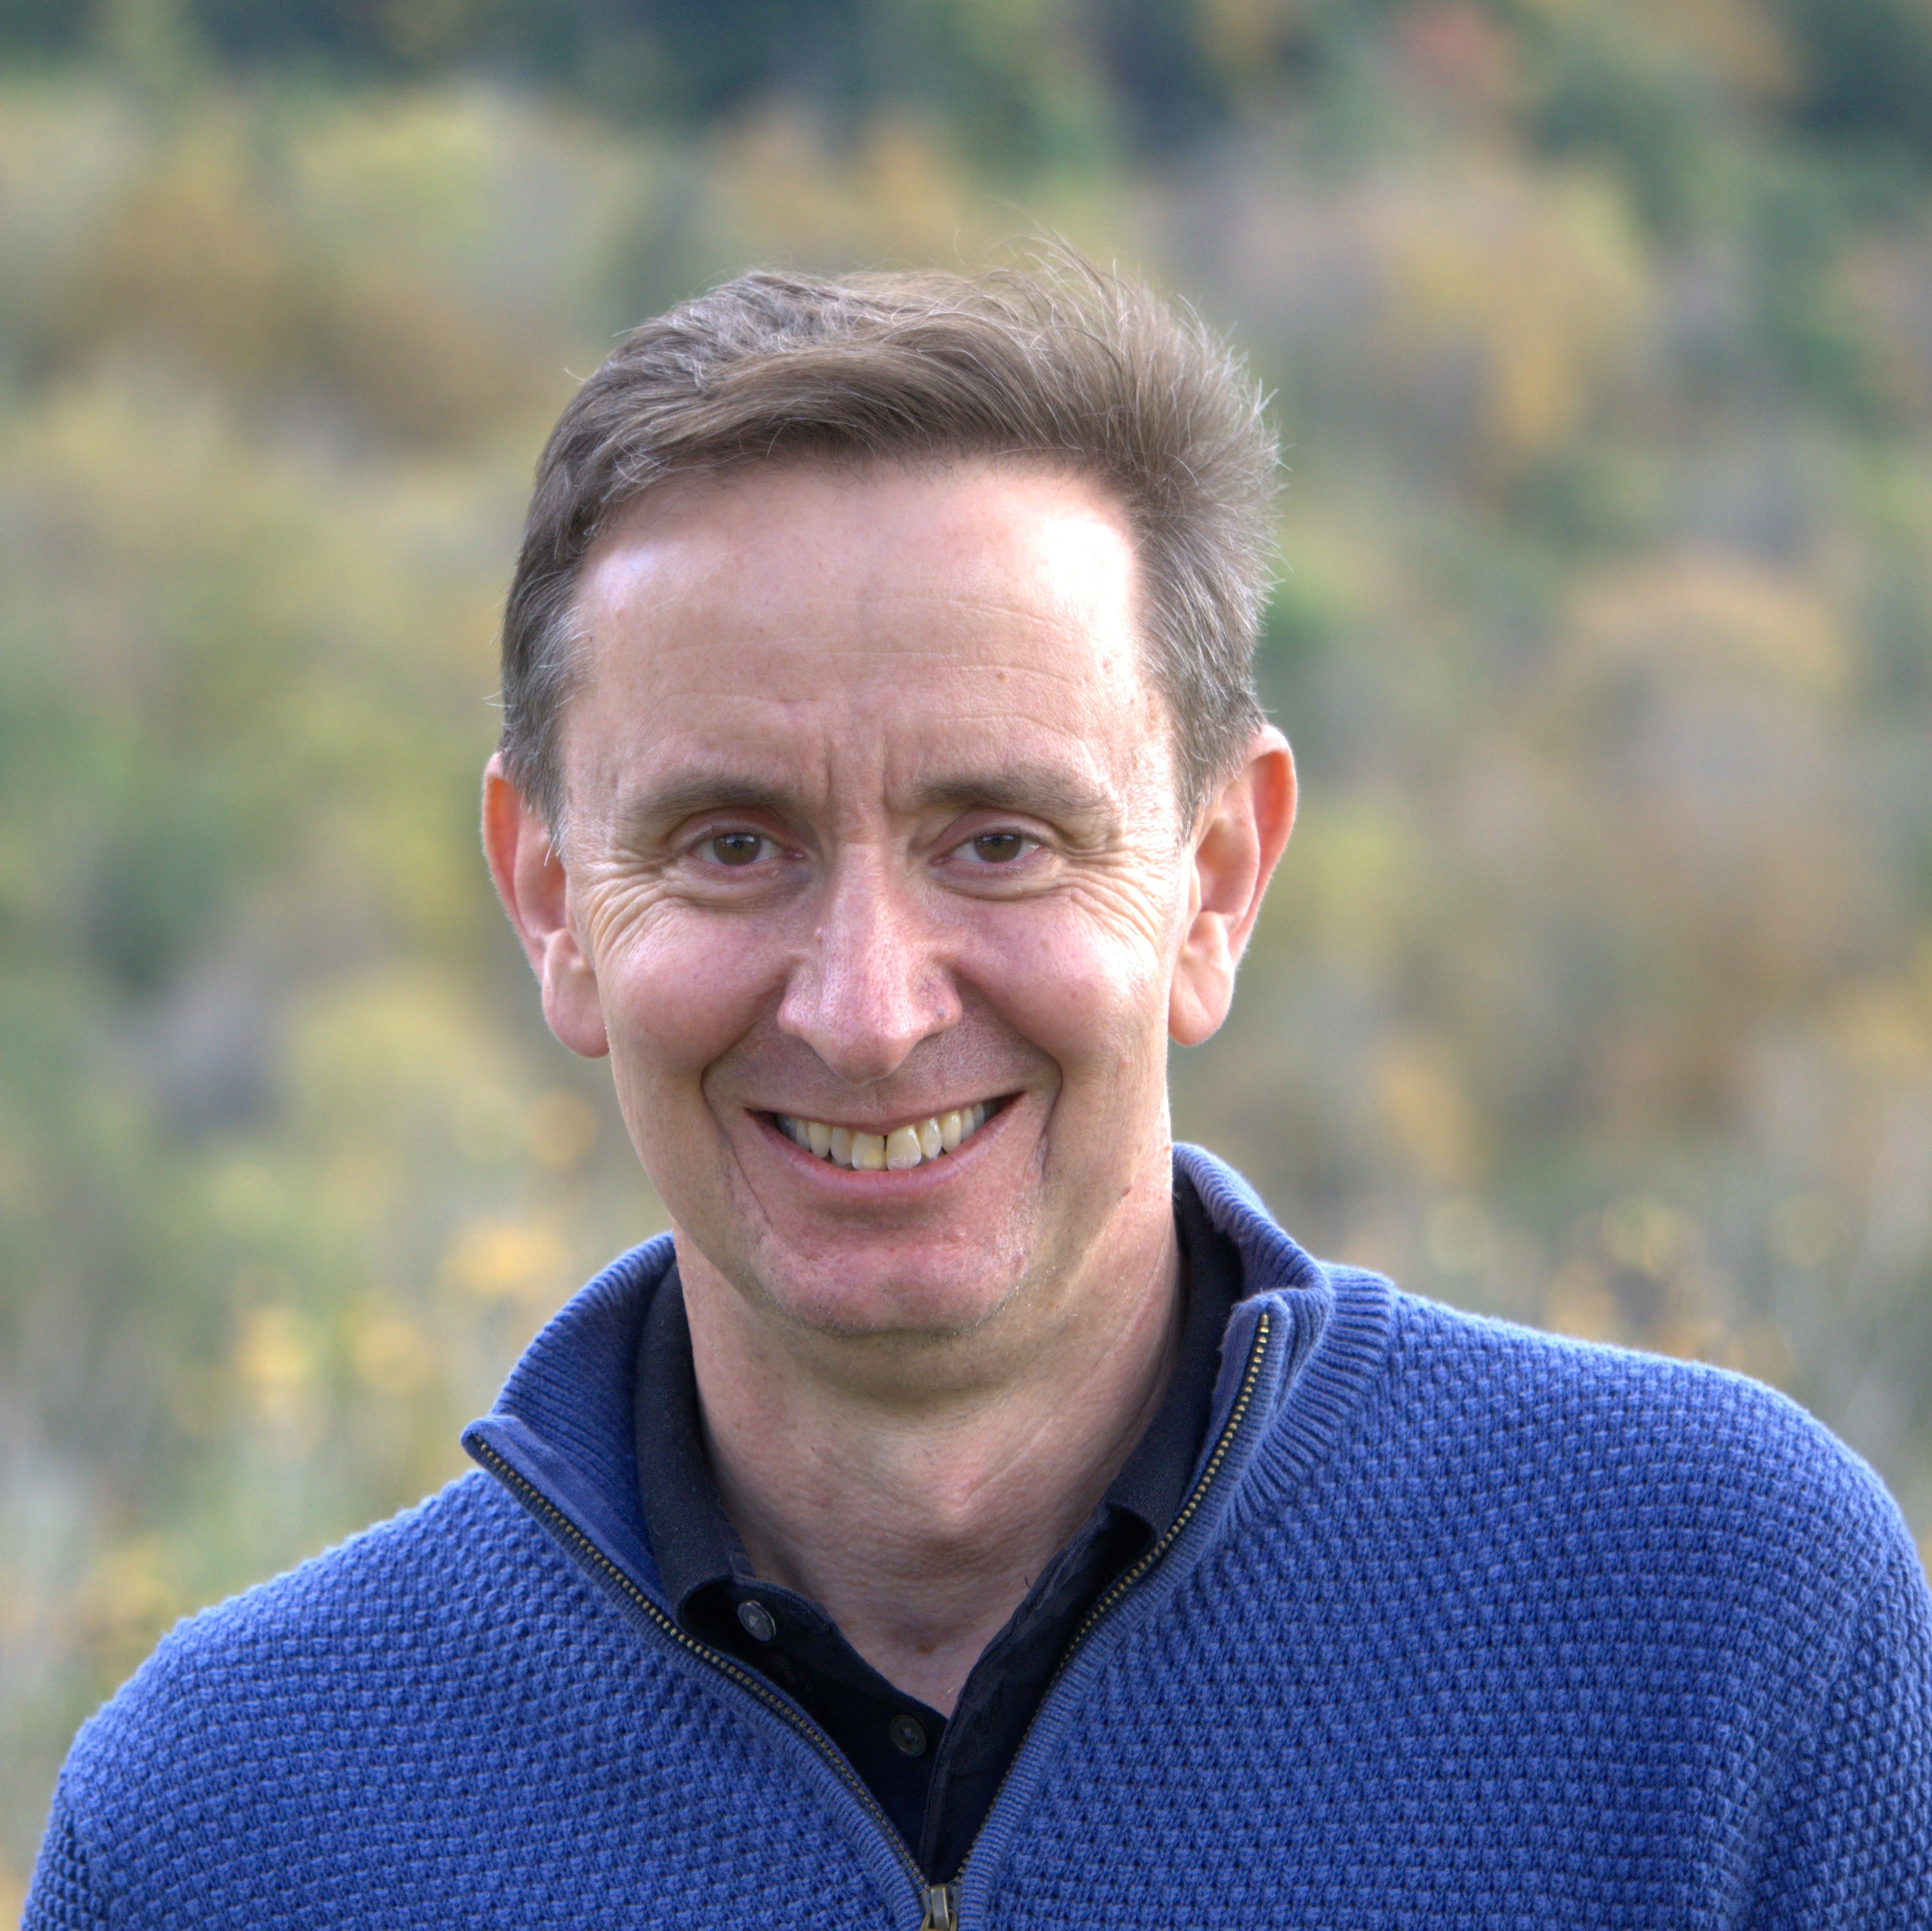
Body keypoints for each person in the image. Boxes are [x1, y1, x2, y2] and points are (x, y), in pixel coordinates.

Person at [27, 258, 1932, 1931]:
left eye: (999, 839)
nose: (865, 1010)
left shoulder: (1720, 1630)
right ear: (550, 903)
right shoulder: (230, 1822)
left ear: (1212, 879)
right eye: (728, 844)